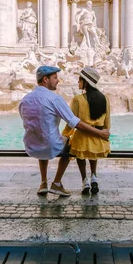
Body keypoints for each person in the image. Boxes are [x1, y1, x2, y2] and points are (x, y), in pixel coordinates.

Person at [19, 65, 110, 197]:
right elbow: (75, 122)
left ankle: (43, 183)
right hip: (50, 146)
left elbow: (26, 121)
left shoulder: (25, 99)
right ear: (45, 79)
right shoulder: (54, 98)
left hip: (31, 146)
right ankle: (56, 183)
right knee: (69, 144)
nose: (58, 81)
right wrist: (100, 133)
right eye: (55, 78)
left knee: (43, 137)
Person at [62, 67, 110, 195]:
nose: (78, 83)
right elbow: (107, 123)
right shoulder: (105, 98)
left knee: (81, 155)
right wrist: (105, 134)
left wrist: (64, 134)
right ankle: (94, 176)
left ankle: (85, 181)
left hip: (81, 138)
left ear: (86, 82)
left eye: (80, 80)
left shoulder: (78, 99)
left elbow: (72, 121)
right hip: (99, 140)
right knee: (92, 153)